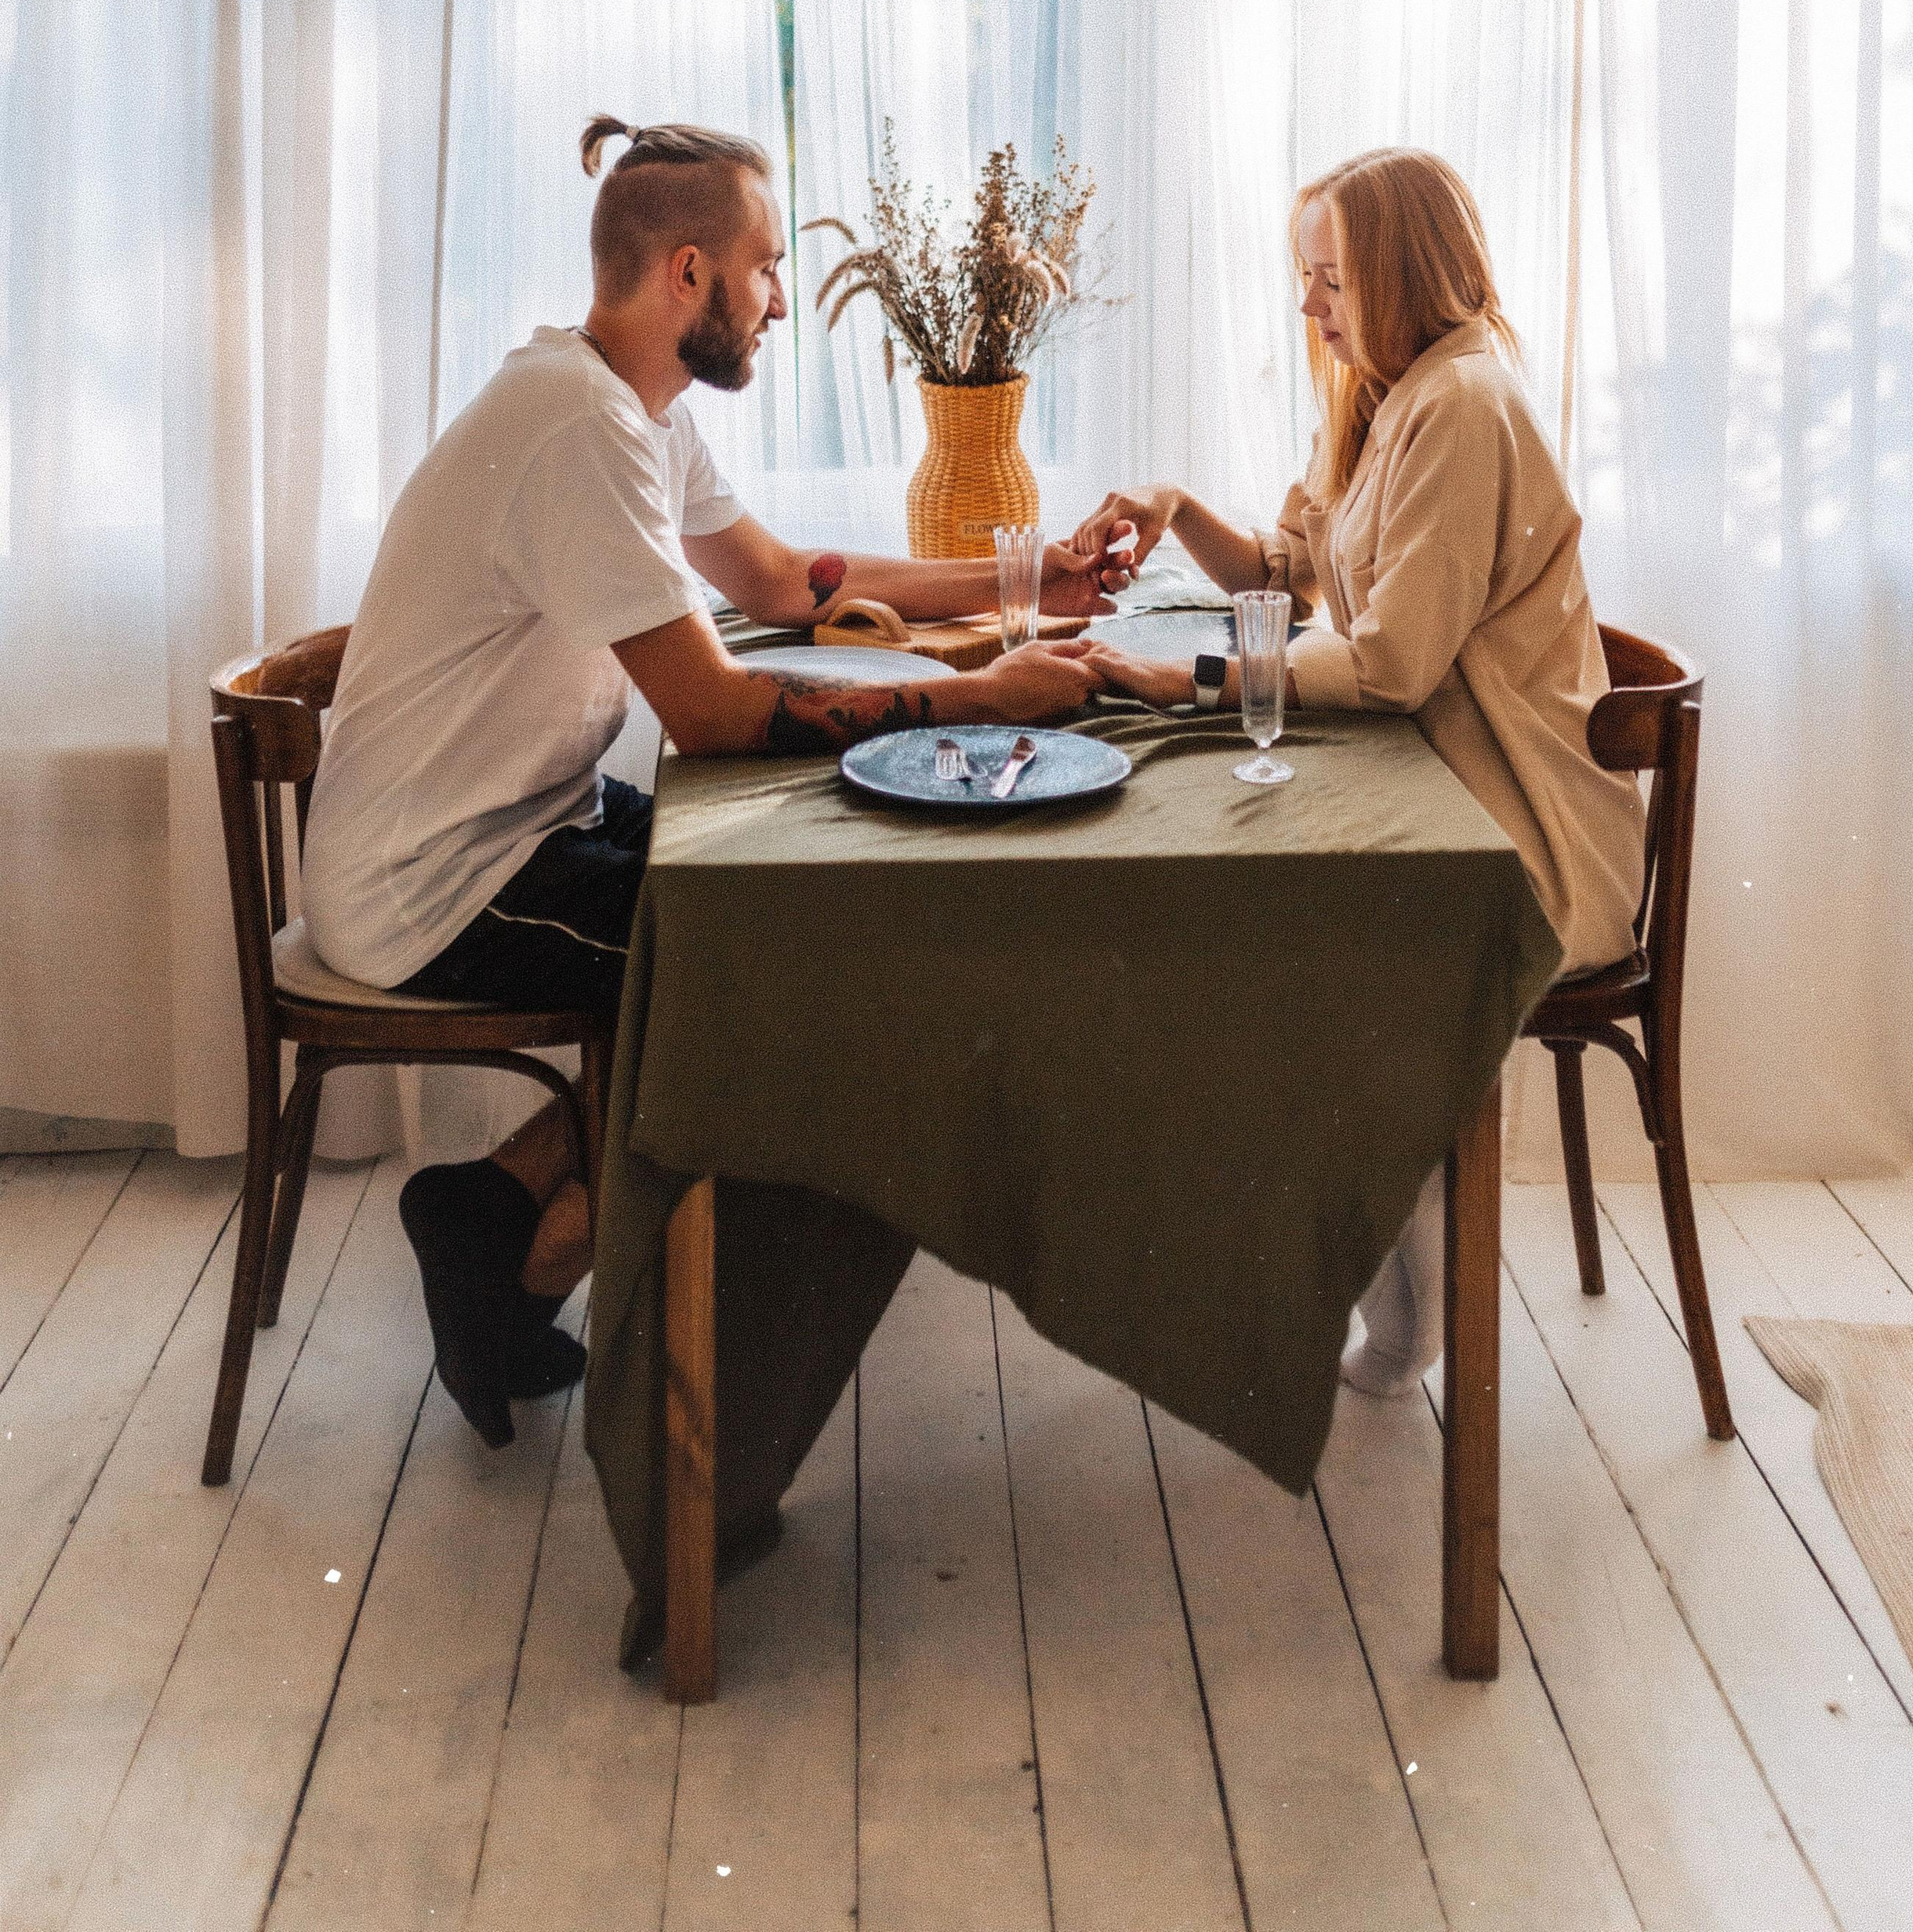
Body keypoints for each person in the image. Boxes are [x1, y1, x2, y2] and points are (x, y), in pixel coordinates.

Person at [301, 115, 1109, 1557]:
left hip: (520, 818)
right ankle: (538, 1269)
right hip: (441, 881)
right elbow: (719, 713)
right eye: (765, 266)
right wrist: (982, 694)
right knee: (774, 984)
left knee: (796, 918)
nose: (782, 299)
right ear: (690, 273)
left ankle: (496, 1216)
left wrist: (1027, 576)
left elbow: (789, 584)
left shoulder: (632, 408)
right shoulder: (582, 429)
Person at [1059, 144, 1646, 1395]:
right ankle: (1329, 1254)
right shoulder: (1390, 393)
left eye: (1332, 279)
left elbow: (1390, 663)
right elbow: (1287, 574)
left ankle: (1399, 1286)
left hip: (1529, 847)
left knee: (1284, 945)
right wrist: (1176, 508)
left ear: (1402, 272)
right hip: (1450, 794)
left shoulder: (1466, 407)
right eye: (1306, 276)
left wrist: (1195, 680)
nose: (1309, 305)